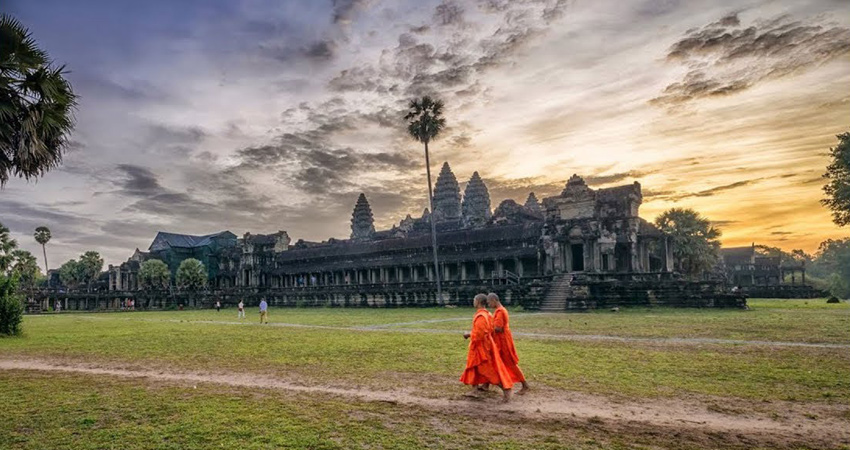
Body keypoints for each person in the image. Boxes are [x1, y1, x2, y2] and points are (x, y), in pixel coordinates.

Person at [460, 293, 513, 402]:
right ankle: (474, 390)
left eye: (474, 300)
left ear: (478, 302)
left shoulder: (481, 316)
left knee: (487, 370)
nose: (473, 302)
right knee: (473, 367)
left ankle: (506, 389)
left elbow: (479, 334)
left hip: (481, 347)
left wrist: (469, 334)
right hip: (481, 345)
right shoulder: (487, 314)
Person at [487, 292, 530, 395]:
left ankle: (525, 384)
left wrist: (487, 329)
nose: (489, 305)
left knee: (510, 363)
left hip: (503, 342)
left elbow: (498, 328)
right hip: (501, 341)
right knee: (494, 362)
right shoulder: (500, 311)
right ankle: (486, 384)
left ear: (494, 300)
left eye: (489, 303)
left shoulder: (500, 312)